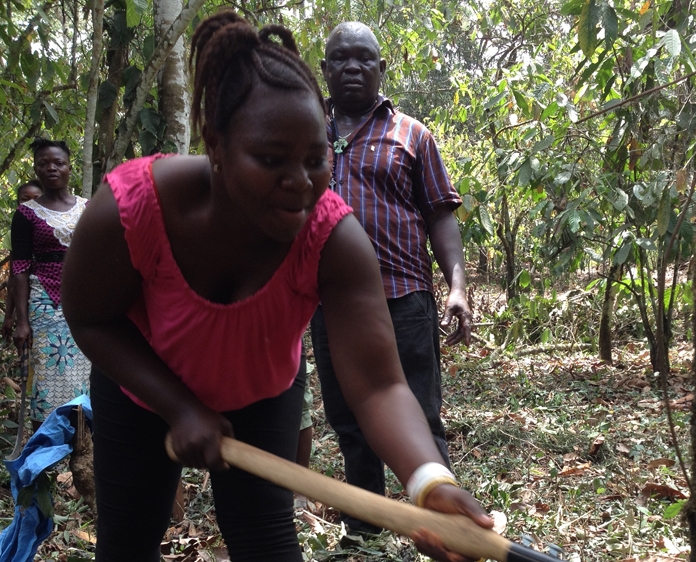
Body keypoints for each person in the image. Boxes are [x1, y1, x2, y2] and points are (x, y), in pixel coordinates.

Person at [60, 11, 490, 562]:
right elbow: (91, 316)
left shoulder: (333, 238)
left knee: (267, 546)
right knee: (127, 547)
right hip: (142, 397)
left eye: (316, 160)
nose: (301, 182)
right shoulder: (131, 209)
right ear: (215, 143)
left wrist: (430, 482)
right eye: (271, 159)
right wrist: (178, 406)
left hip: (262, 397)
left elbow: (379, 385)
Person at [313, 21, 473, 535]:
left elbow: (440, 215)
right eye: (340, 58)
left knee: (421, 416)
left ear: (382, 69)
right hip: (330, 304)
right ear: (325, 70)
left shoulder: (413, 135)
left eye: (364, 59)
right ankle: (364, 533)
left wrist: (456, 287)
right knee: (349, 423)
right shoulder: (305, 134)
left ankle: (442, 527)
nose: (353, 67)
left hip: (403, 298)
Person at [11, 140, 91, 424]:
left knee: (85, 375)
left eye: (58, 162)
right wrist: (22, 321)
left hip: (83, 302)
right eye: (44, 163)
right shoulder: (25, 214)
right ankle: (45, 452)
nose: (51, 168)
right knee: (47, 374)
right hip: (44, 303)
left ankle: (83, 450)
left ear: (70, 167)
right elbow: (19, 267)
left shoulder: (88, 207)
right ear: (36, 168)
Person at [2, 180, 43, 342]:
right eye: (25, 199)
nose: (31, 203)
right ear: (18, 202)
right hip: (26, 302)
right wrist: (9, 316)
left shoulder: (55, 228)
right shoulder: (14, 233)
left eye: (37, 198)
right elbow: (15, 275)